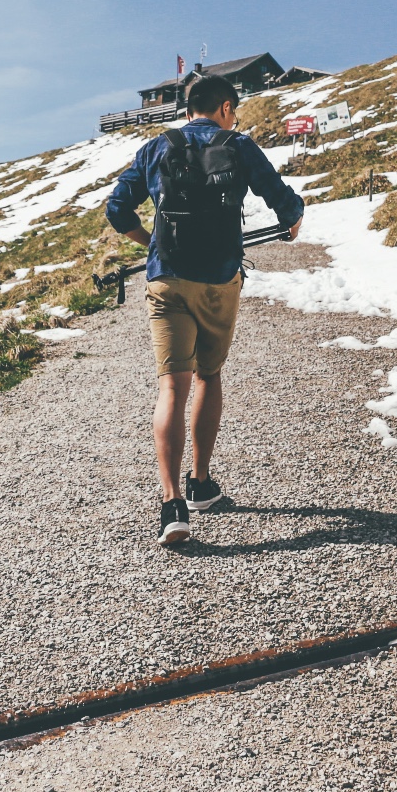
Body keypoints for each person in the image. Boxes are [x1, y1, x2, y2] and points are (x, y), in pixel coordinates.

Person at [104, 74, 304, 545]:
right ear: (226, 107)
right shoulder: (238, 144)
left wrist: (150, 242)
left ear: (187, 107)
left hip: (167, 279)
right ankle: (201, 482)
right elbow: (284, 202)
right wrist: (292, 220)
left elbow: (117, 209)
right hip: (219, 280)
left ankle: (171, 504)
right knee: (207, 377)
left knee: (170, 386)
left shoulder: (157, 147)